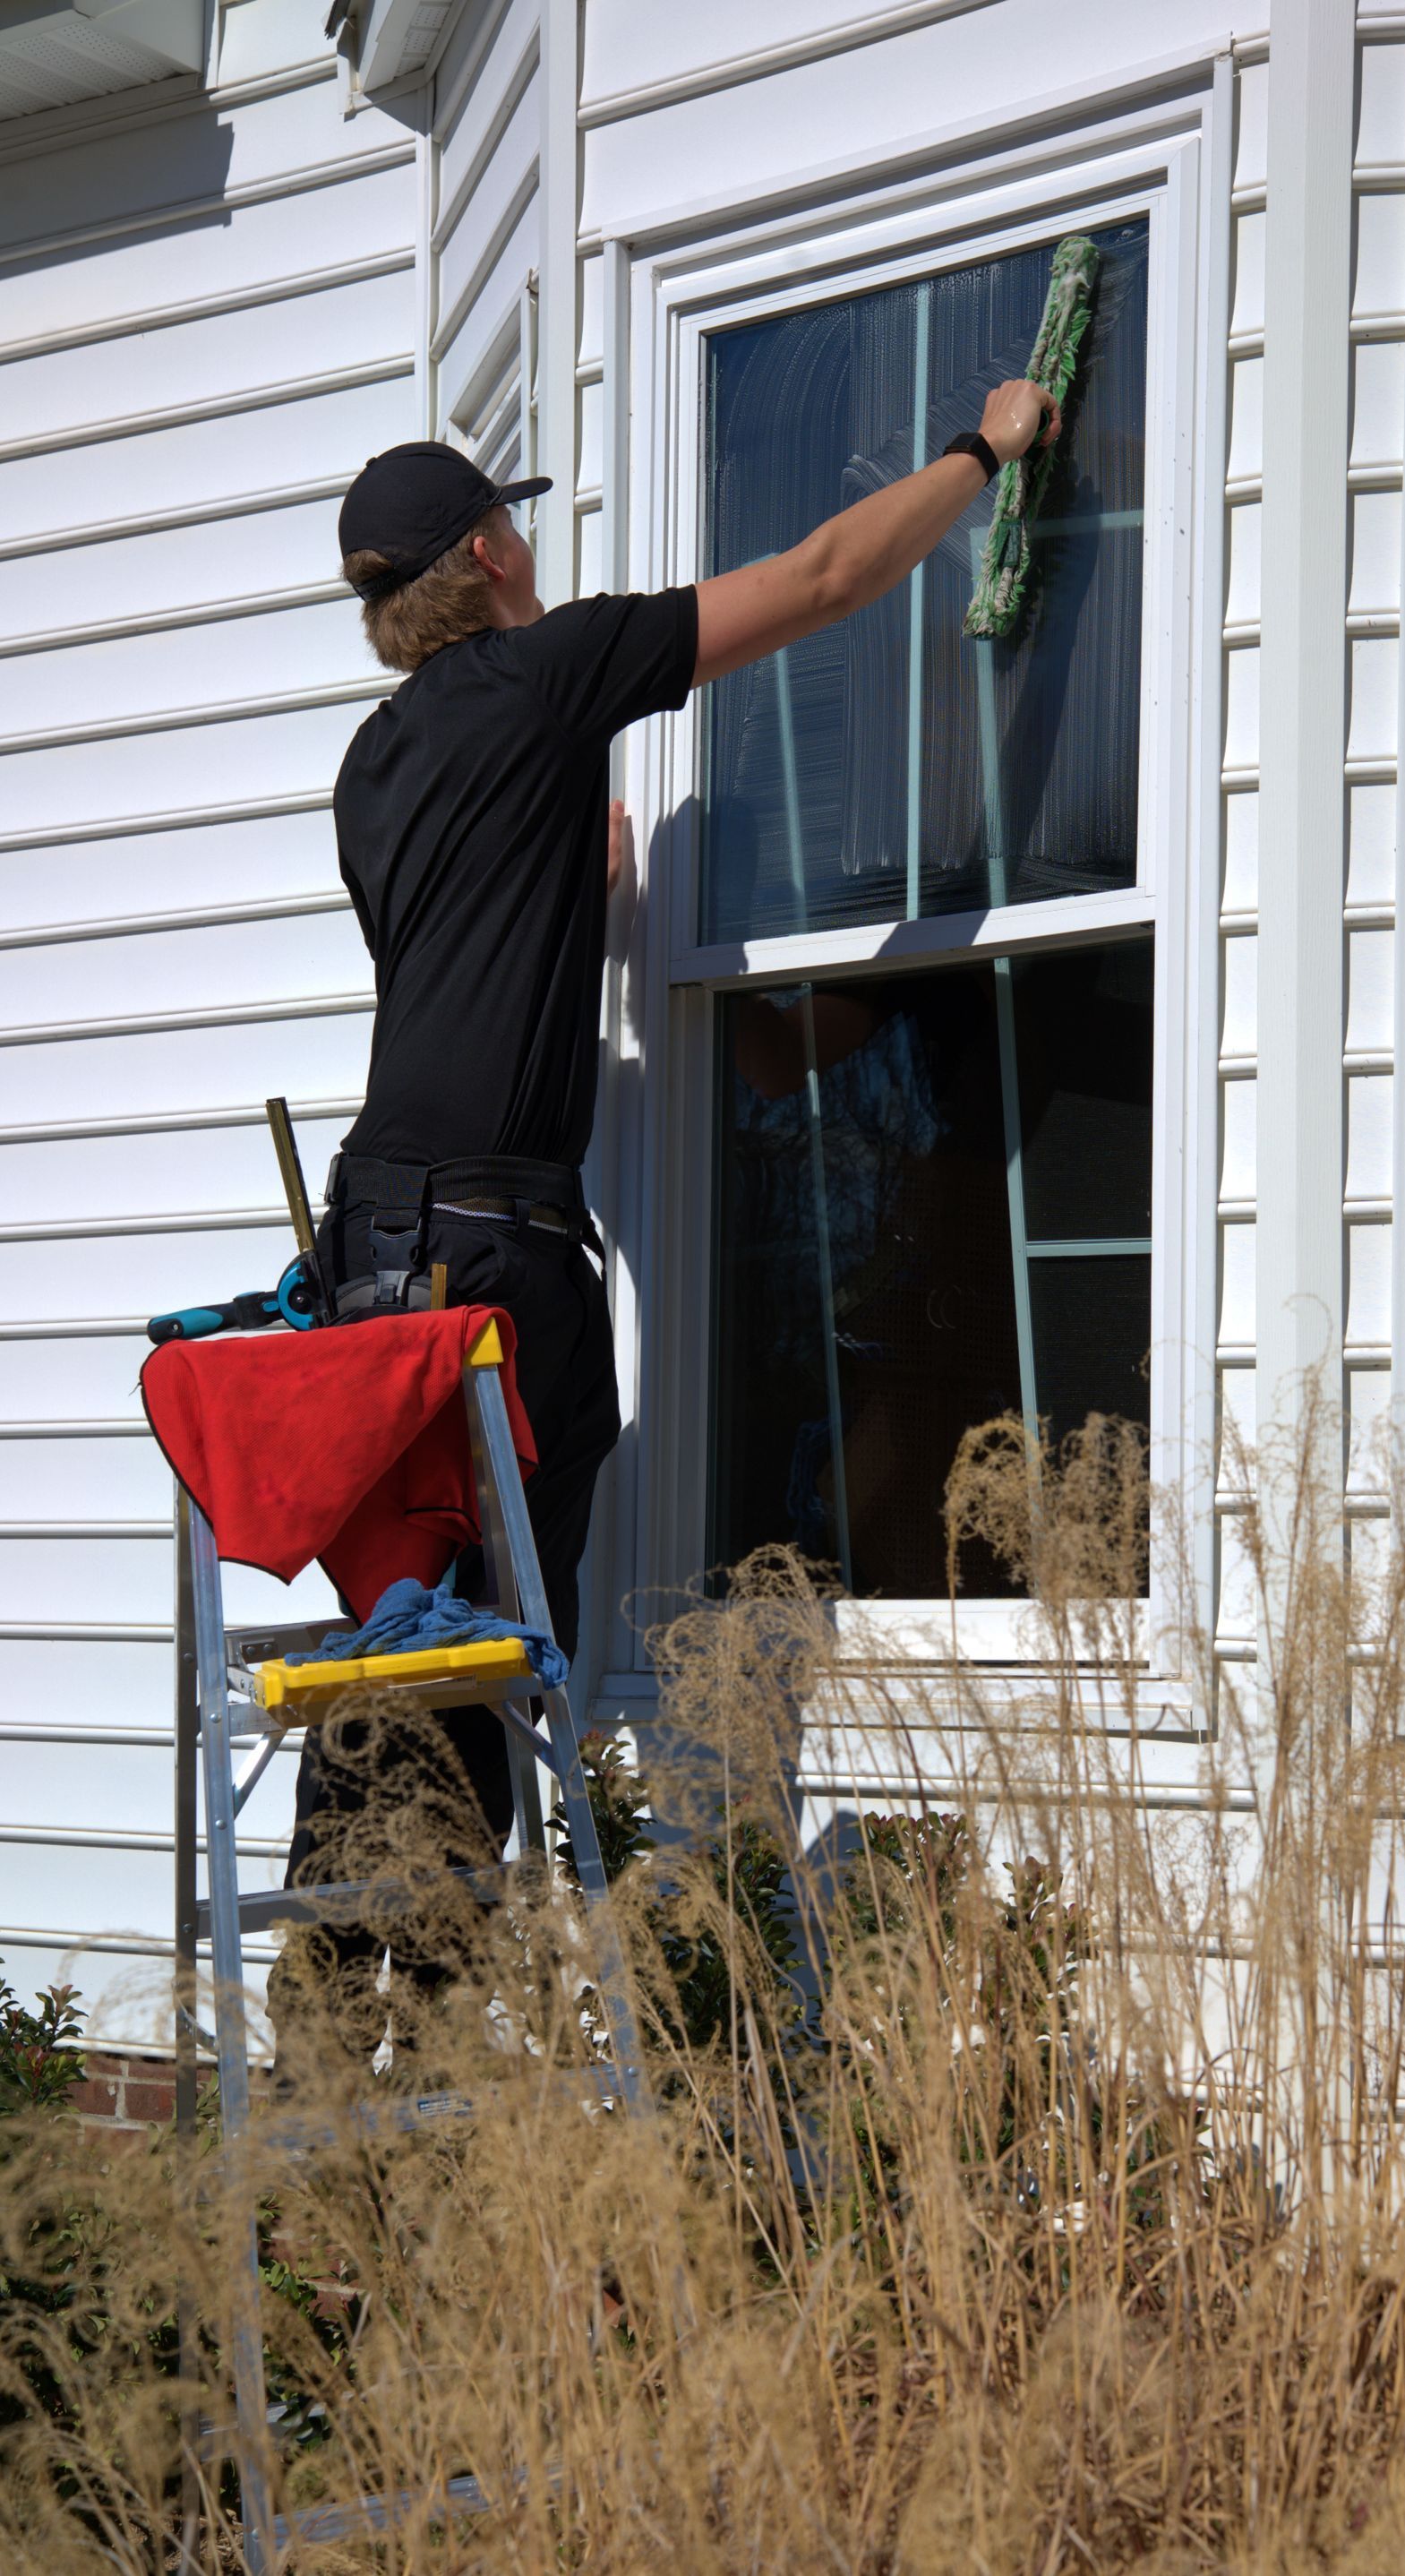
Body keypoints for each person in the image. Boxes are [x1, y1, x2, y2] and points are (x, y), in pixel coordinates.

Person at [270, 378, 1060, 2069]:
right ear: (490, 553)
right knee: (475, 1651)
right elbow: (828, 576)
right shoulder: (544, 677)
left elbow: (458, 973)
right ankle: (414, 2025)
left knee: (393, 1637)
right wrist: (982, 453)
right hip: (490, 1259)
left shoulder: (376, 765)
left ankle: (337, 2029)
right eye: (522, 529)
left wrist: (585, 877)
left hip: (370, 1255)